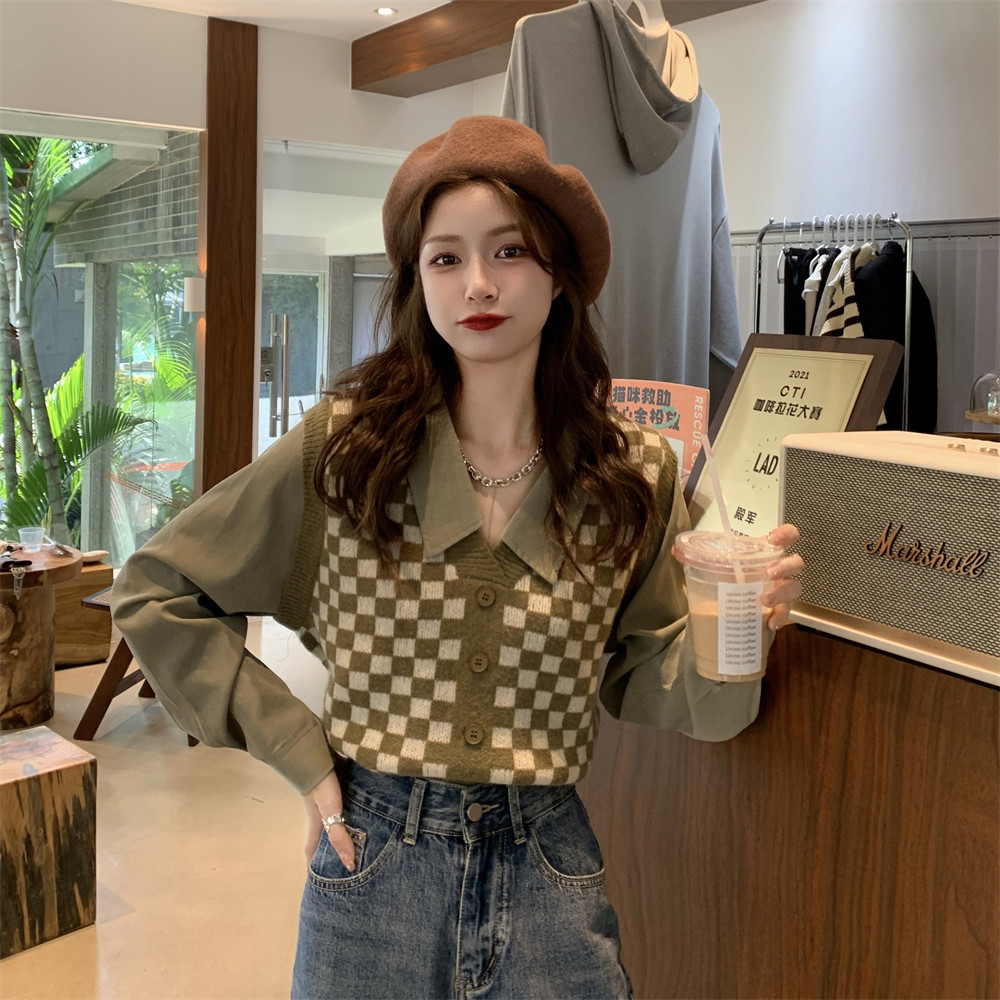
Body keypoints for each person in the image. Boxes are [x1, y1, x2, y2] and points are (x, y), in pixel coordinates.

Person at [111, 115, 804, 1000]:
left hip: (549, 866)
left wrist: (737, 622)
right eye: (446, 258)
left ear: (559, 274)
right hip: (370, 865)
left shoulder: (632, 477)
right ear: (418, 282)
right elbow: (158, 590)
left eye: (509, 251)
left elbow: (653, 679)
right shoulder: (346, 454)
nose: (478, 283)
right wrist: (298, 749)